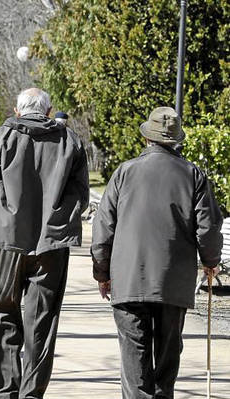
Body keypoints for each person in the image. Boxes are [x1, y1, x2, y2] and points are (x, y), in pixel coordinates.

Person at [91, 106, 223, 399]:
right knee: (165, 368)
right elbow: (209, 227)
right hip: (172, 283)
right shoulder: (193, 175)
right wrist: (211, 262)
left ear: (146, 139)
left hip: (128, 280)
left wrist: (102, 273)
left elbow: (103, 229)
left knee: (134, 368)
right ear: (177, 141)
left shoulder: (124, 172)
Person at [0, 88, 89, 399]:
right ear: (49, 109)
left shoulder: (1, 136)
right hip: (51, 243)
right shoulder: (69, 140)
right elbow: (81, 193)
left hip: (7, 239)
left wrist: (4, 217)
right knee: (42, 320)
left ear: (17, 110)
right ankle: (31, 393)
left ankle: (5, 392)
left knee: (5, 312)